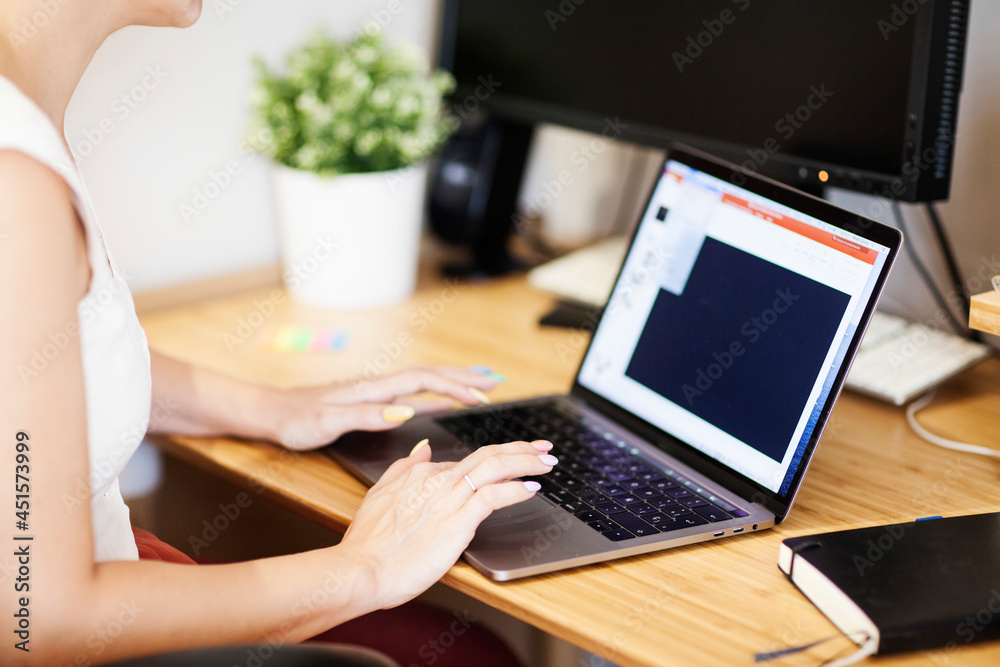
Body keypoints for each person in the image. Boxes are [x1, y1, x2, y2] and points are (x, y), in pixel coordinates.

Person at [0, 1, 556, 664]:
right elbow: (39, 622)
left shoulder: (23, 122)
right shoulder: (16, 186)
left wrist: (277, 407)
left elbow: (61, 357)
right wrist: (367, 567)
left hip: (101, 577)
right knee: (465, 656)